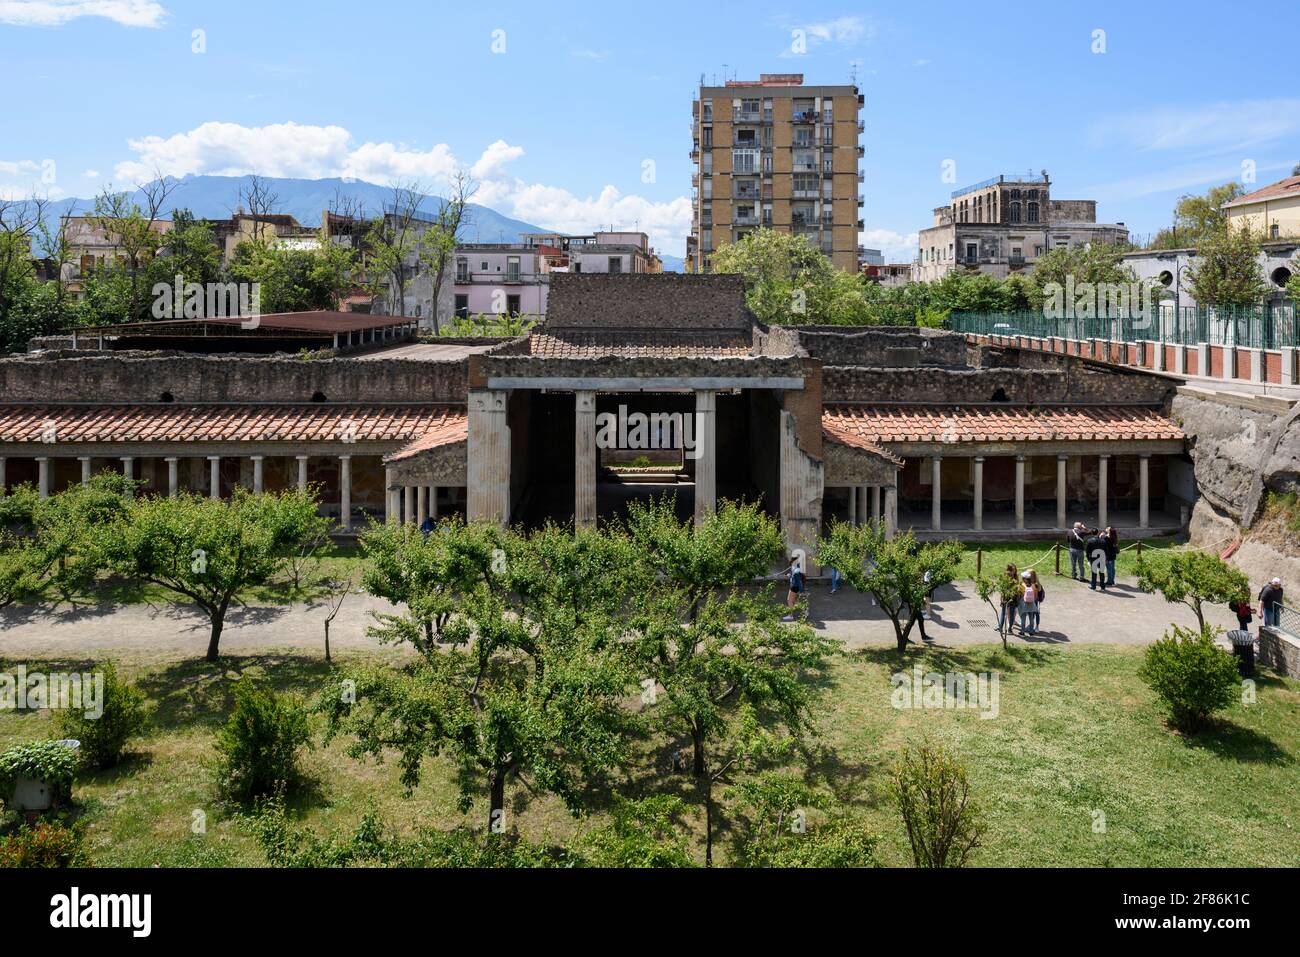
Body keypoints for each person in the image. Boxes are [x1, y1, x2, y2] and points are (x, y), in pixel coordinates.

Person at [997, 563, 1020, 635]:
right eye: (1012, 570)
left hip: (1013, 598)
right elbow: (1002, 590)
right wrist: (1001, 599)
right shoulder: (1005, 579)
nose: (1013, 572)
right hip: (1006, 598)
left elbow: (1017, 590)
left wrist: (1017, 599)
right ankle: (1000, 627)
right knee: (1003, 613)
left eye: (1014, 570)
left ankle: (1010, 629)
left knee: (1012, 614)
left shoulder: (1015, 579)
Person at [782, 555, 805, 621]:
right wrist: (788, 575)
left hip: (794, 587)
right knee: (794, 601)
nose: (790, 562)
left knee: (789, 600)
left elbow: (799, 581)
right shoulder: (796, 568)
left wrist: (802, 591)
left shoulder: (796, 570)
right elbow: (793, 575)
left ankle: (791, 615)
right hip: (794, 586)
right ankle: (804, 610)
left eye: (791, 561)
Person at [1018, 571, 1040, 636]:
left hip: (1024, 603)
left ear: (1024, 578)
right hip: (1032, 604)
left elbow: (1020, 595)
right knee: (1031, 618)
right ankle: (1031, 631)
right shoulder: (1033, 585)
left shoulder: (1022, 585)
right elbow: (1035, 595)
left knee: (1023, 618)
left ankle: (1022, 631)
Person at [1027, 569, 1045, 634]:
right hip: (1030, 601)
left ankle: (1037, 626)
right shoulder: (1028, 582)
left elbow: (1039, 590)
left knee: (1036, 613)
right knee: (1030, 614)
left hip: (1035, 601)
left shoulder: (1036, 583)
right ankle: (1030, 625)